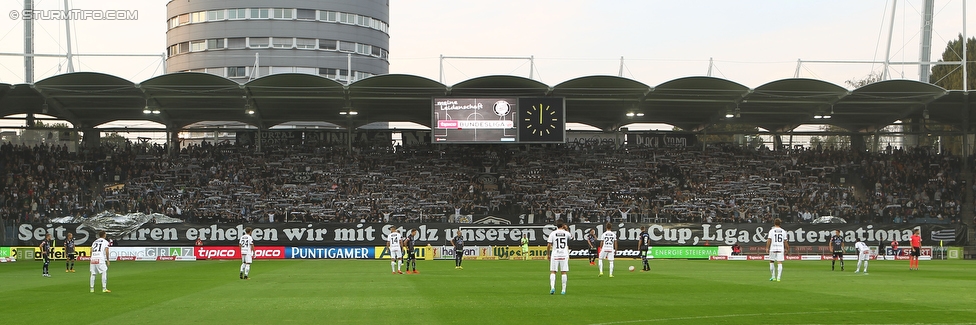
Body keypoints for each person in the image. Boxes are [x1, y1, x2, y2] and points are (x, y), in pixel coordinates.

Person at [547, 220, 571, 295]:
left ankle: (552, 287)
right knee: (563, 272)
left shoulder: (553, 233)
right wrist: (566, 229)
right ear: (563, 225)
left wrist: (548, 254)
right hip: (564, 254)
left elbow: (548, 245)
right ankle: (563, 290)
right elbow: (572, 237)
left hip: (555, 254)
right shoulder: (566, 233)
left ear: (556, 225)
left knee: (553, 271)